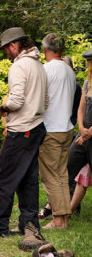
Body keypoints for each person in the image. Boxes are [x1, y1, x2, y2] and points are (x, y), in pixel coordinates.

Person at [0, 27, 48, 252]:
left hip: (21, 130)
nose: (6, 54)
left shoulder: (20, 66)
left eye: (6, 50)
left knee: (5, 180)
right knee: (28, 179)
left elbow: (17, 100)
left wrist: (2, 108)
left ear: (14, 46)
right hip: (37, 127)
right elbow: (46, 100)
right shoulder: (39, 65)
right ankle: (28, 224)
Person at [39, 33, 76, 229]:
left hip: (51, 129)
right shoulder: (69, 71)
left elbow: (39, 99)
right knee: (61, 174)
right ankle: (64, 217)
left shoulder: (46, 69)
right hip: (67, 128)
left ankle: (58, 220)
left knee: (50, 176)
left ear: (45, 49)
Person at [66, 49, 92, 216]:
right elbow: (81, 107)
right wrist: (81, 128)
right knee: (71, 160)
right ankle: (69, 209)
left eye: (89, 62)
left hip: (90, 133)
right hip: (85, 131)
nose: (88, 65)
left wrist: (89, 132)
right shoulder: (87, 82)